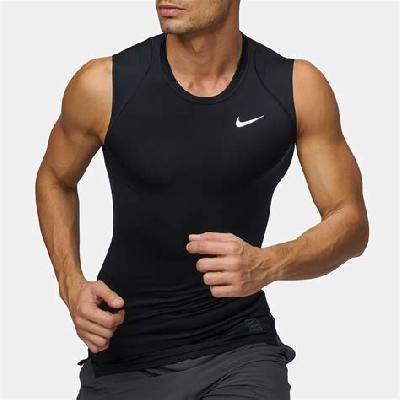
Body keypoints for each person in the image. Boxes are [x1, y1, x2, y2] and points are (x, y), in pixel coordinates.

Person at [35, 0, 369, 398]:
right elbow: (55, 179)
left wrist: (269, 263)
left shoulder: (296, 87)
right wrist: (71, 285)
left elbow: (351, 222)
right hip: (124, 354)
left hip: (239, 345)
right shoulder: (103, 85)